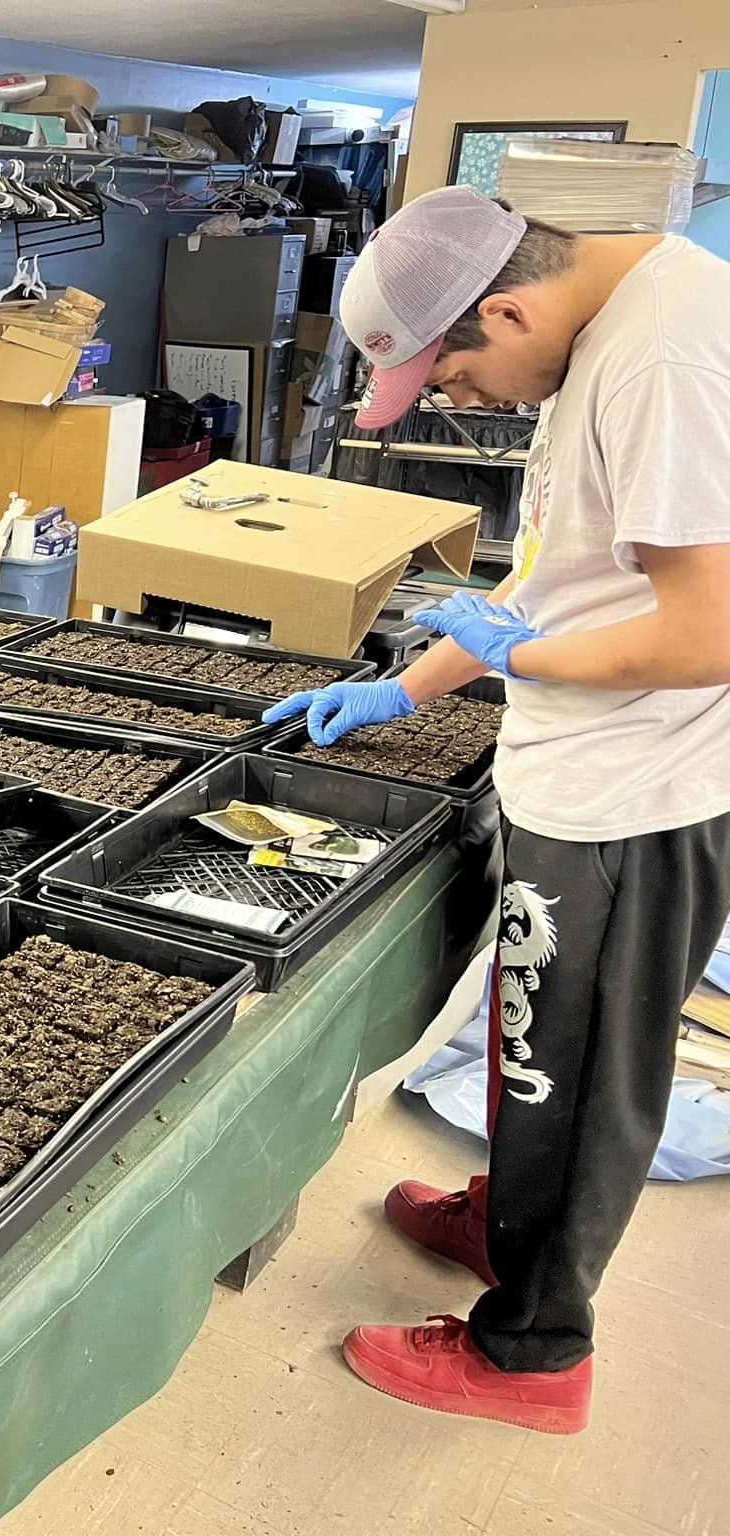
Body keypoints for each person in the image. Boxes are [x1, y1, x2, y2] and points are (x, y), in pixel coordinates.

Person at [265, 186, 730, 1435]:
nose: (455, 406)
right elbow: (554, 577)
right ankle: (509, 1215)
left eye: (452, 380)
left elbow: (703, 633)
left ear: (509, 307)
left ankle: (533, 1353)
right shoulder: (613, 318)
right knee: (538, 1042)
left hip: (636, 791)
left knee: (576, 1070)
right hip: (584, 762)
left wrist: (518, 666)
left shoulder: (661, 359)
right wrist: (398, 690)